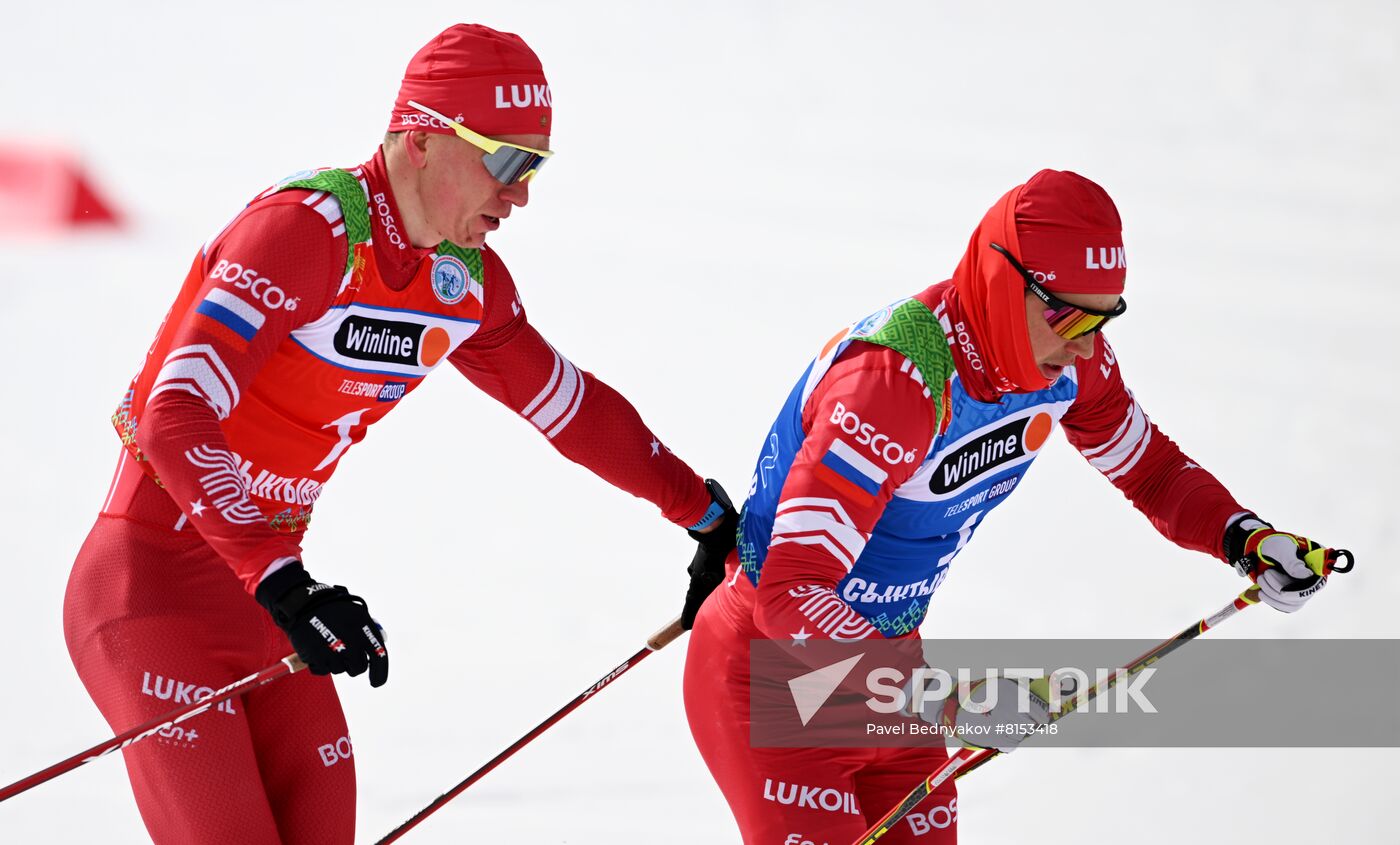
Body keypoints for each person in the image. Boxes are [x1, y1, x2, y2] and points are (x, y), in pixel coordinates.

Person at [63, 24, 736, 845]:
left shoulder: (464, 284)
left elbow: (571, 406)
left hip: (267, 599)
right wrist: (281, 579)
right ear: (422, 137)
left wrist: (701, 513)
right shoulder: (305, 232)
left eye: (536, 167)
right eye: (506, 160)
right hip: (150, 595)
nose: (520, 193)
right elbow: (176, 410)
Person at [682, 170, 1343, 844]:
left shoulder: (1070, 366)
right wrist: (943, 701)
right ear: (1006, 283)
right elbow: (792, 592)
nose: (1088, 345)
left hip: (889, 690)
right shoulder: (892, 384)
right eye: (1072, 317)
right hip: (774, 683)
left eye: (1106, 317)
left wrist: (1245, 538)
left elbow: (1152, 469)